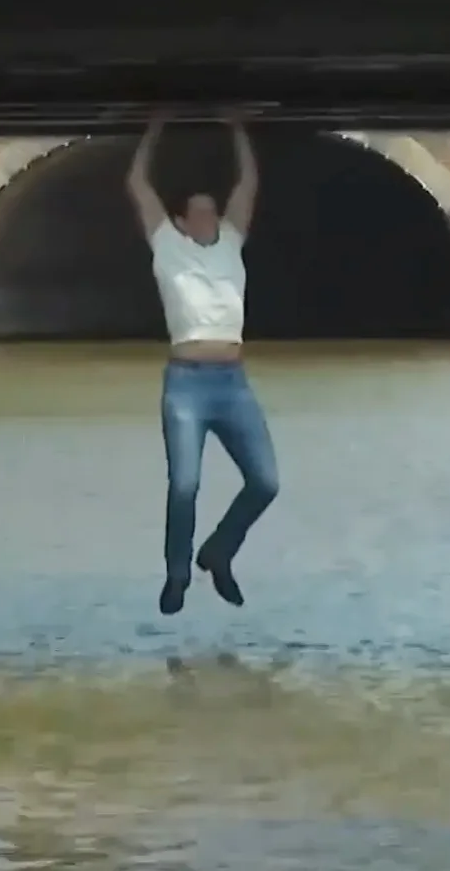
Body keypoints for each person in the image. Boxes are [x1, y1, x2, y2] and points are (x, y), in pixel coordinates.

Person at [126, 109, 281, 615]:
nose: (210, 217)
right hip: (187, 385)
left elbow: (249, 183)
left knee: (265, 482)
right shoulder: (168, 247)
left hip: (233, 383)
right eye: (199, 211)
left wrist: (236, 127)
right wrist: (156, 127)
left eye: (214, 210)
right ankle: (177, 574)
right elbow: (137, 183)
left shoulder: (232, 243)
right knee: (185, 484)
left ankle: (219, 551)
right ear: (180, 221)